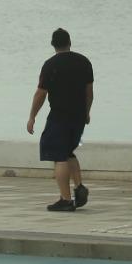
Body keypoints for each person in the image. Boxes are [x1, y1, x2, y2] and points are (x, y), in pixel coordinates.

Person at [27, 28, 94, 212]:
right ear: (69, 42)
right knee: (68, 151)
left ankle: (65, 199)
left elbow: (41, 94)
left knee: (58, 156)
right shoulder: (84, 62)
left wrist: (32, 116)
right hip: (78, 116)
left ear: (53, 44)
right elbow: (89, 92)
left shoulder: (50, 65)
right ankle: (79, 187)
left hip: (60, 115)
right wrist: (87, 112)